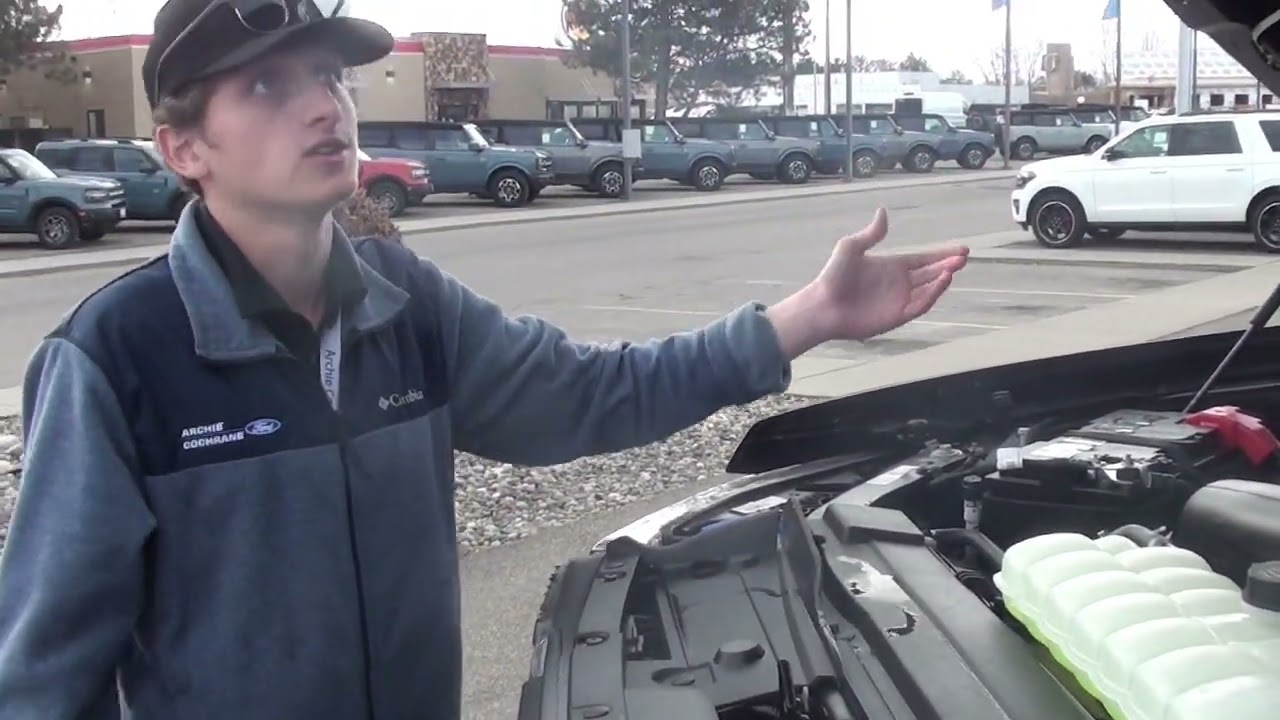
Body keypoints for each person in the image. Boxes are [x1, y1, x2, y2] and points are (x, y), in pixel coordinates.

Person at [0, 1, 969, 718]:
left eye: (328, 78)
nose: (320, 106)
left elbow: (591, 396)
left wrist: (806, 314)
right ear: (183, 149)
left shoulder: (403, 305)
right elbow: (49, 667)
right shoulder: (116, 356)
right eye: (266, 85)